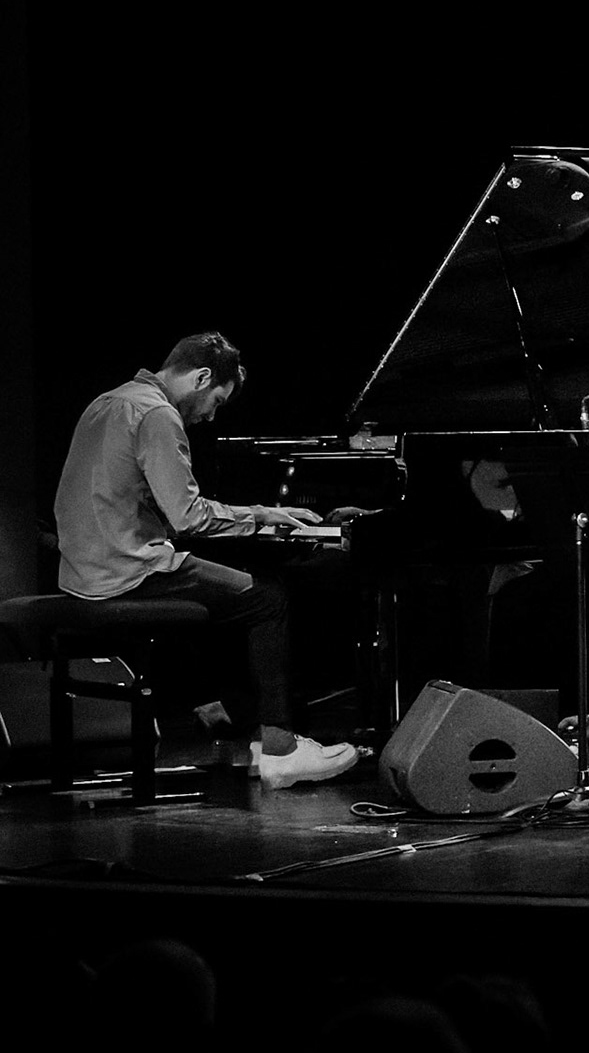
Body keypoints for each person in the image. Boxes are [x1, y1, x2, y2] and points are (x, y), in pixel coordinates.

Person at [52, 331, 365, 788]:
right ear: (201, 377)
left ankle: (218, 713)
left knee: (211, 587)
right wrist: (261, 516)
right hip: (123, 572)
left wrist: (253, 515)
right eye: (216, 401)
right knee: (267, 598)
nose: (210, 415)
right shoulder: (158, 414)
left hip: (81, 571)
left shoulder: (109, 401)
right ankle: (280, 749)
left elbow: (135, 498)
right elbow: (189, 517)